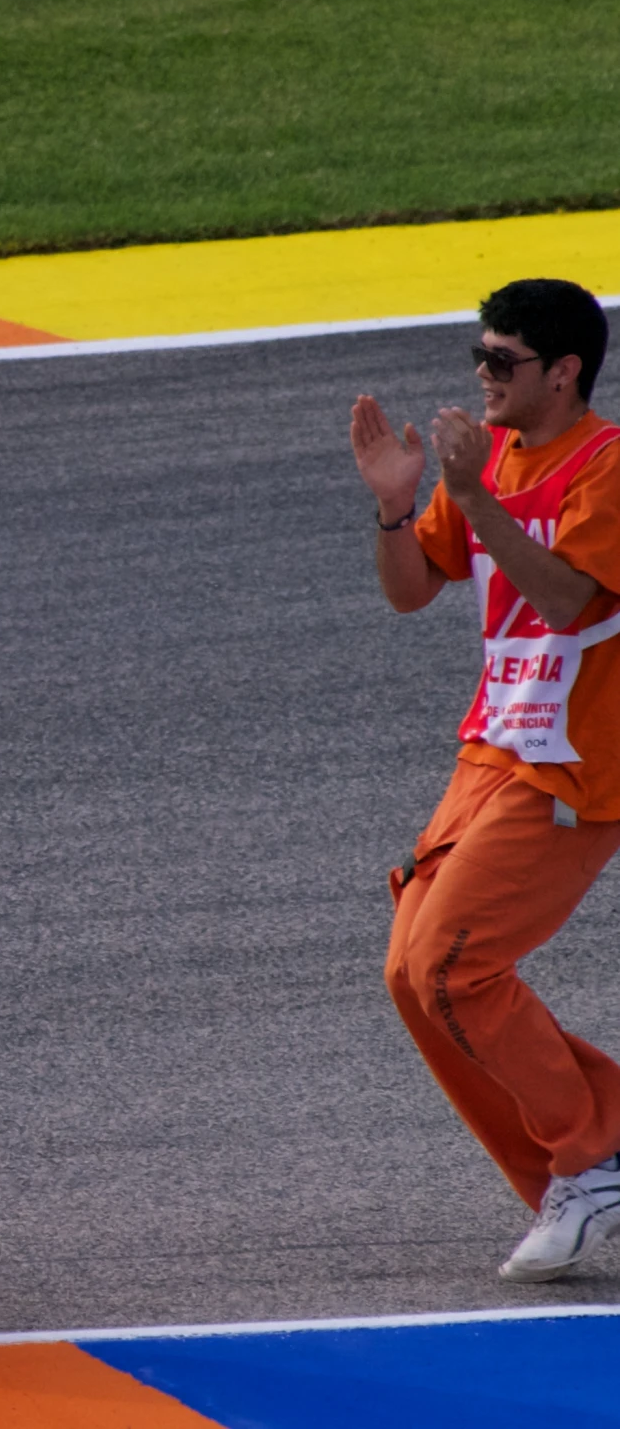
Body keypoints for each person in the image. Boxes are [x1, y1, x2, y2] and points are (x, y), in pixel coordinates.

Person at [352, 278, 620, 1282]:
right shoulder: (491, 457)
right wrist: (393, 504)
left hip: (574, 764)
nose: (480, 377)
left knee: (452, 967)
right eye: (476, 357)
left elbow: (563, 600)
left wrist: (469, 496)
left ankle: (589, 1158)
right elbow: (410, 591)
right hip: (489, 750)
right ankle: (578, 1166)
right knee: (409, 977)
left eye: (499, 361)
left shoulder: (605, 467)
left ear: (561, 372)